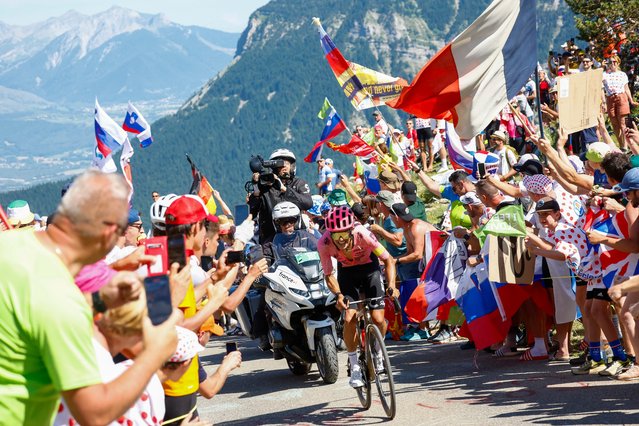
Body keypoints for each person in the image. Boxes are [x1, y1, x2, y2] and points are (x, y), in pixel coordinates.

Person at [0, 170, 179, 425]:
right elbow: (94, 413)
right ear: (107, 233)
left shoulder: (11, 247)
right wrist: (155, 352)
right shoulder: (59, 297)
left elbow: (27, 318)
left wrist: (97, 300)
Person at [317, 206, 398, 388]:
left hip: (370, 270)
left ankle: (378, 352)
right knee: (349, 317)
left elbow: (388, 260)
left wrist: (391, 285)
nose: (341, 240)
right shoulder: (324, 243)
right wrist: (338, 295)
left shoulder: (363, 234)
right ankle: (354, 365)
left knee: (378, 318)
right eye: (336, 236)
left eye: (344, 235)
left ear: (351, 229)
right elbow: (329, 274)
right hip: (347, 274)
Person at [249, 148, 313, 244]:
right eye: (280, 163)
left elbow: (308, 203)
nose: (284, 166)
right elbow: (253, 211)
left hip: (296, 237)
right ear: (273, 166)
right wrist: (256, 188)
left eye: (286, 163)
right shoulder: (266, 186)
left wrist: (285, 190)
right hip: (270, 239)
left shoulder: (299, 183)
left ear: (292, 166)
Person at [603, 55, 638, 150]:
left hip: (621, 96)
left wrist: (631, 101)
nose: (612, 64)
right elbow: (600, 86)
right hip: (610, 98)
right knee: (614, 123)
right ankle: (621, 144)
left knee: (623, 122)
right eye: (610, 62)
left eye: (614, 62)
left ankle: (627, 145)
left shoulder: (622, 74)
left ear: (618, 63)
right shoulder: (605, 74)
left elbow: (626, 88)